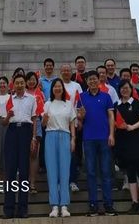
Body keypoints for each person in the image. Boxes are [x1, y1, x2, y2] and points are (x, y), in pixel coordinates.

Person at [77, 70, 117, 217]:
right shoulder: (81, 97)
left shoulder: (106, 96)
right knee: (91, 172)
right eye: (90, 80)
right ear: (86, 82)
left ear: (99, 80)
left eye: (95, 79)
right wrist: (80, 117)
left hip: (104, 138)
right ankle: (93, 204)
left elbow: (111, 116)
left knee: (106, 172)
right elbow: (79, 122)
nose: (92, 82)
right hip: (88, 139)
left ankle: (108, 205)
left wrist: (111, 134)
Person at [3, 74, 37, 219]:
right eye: (17, 83)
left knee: (24, 171)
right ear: (14, 84)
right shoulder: (9, 99)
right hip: (11, 132)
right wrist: (8, 116)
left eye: (22, 82)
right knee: (10, 171)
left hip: (26, 132)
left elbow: (34, 119)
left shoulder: (32, 99)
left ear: (25, 84)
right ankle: (8, 208)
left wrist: (33, 138)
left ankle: (23, 208)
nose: (19, 85)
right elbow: (4, 123)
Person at [114, 80, 139, 214]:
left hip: (137, 141)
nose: (124, 90)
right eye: (122, 88)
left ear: (131, 89)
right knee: (130, 173)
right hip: (123, 142)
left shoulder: (136, 103)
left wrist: (132, 127)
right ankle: (134, 202)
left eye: (127, 88)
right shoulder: (116, 105)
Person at [43, 78, 76, 217]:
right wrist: (44, 119)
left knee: (64, 171)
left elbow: (72, 122)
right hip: (50, 136)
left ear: (63, 89)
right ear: (52, 89)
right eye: (55, 86)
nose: (57, 88)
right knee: (52, 172)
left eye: (59, 86)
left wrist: (73, 139)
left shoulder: (68, 104)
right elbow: (43, 124)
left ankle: (64, 205)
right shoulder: (47, 104)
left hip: (65, 136)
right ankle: (54, 206)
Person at [60, 64, 82, 192]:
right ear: (61, 72)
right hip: (59, 124)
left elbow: (80, 104)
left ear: (71, 72)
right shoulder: (58, 85)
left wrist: (80, 120)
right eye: (64, 70)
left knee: (72, 154)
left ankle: (73, 180)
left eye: (68, 70)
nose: (66, 72)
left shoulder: (76, 86)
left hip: (73, 123)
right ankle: (61, 181)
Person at [25, 71, 44, 194]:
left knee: (34, 154)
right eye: (29, 79)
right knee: (24, 154)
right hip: (25, 124)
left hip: (36, 124)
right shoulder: (22, 93)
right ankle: (25, 181)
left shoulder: (40, 94)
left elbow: (43, 111)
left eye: (33, 79)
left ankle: (32, 183)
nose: (31, 81)